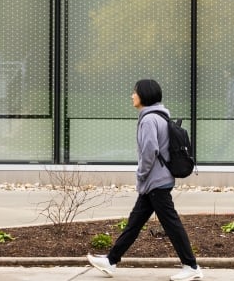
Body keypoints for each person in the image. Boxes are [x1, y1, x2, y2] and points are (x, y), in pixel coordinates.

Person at [87, 79, 203, 281]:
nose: (132, 96)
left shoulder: (149, 120)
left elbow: (150, 152)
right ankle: (111, 260)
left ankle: (192, 266)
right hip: (156, 181)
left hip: (155, 181)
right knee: (134, 223)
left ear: (144, 95)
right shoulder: (159, 117)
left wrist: (140, 175)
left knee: (171, 224)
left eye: (135, 92)